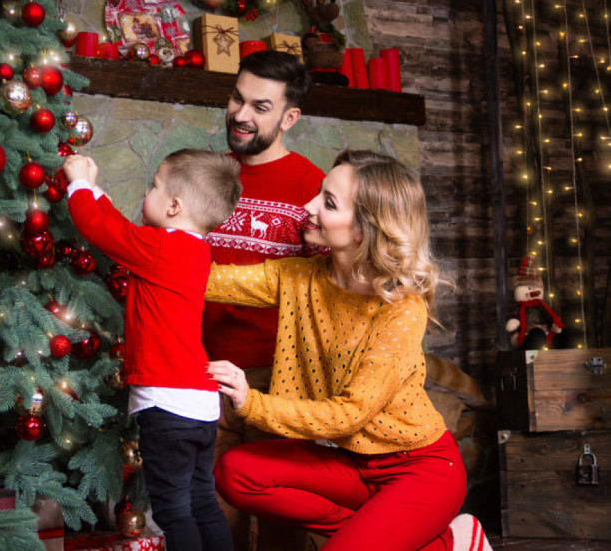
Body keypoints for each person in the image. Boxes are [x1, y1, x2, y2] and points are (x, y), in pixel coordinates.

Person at [205, 150, 493, 551]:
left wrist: (251, 401)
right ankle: (413, 537)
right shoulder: (299, 277)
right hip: (355, 468)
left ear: (363, 229)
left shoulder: (401, 308)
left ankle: (447, 541)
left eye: (328, 202)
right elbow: (211, 280)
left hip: (421, 471)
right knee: (235, 471)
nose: (308, 207)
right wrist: (141, 244)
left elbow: (349, 414)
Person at [63, 149, 242, 551]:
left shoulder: (160, 248)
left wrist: (78, 182)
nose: (147, 193)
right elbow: (122, 231)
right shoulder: (192, 250)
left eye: (153, 187)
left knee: (173, 511)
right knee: (201, 501)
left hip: (167, 402)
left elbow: (99, 229)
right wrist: (94, 189)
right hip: (200, 404)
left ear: (175, 206)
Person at [202, 49, 327, 550]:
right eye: (237, 98)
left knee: (280, 519)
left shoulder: (313, 188)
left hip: (280, 381)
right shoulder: (209, 174)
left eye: (260, 106)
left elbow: (325, 291)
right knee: (211, 511)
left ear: (289, 117)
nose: (240, 114)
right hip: (204, 370)